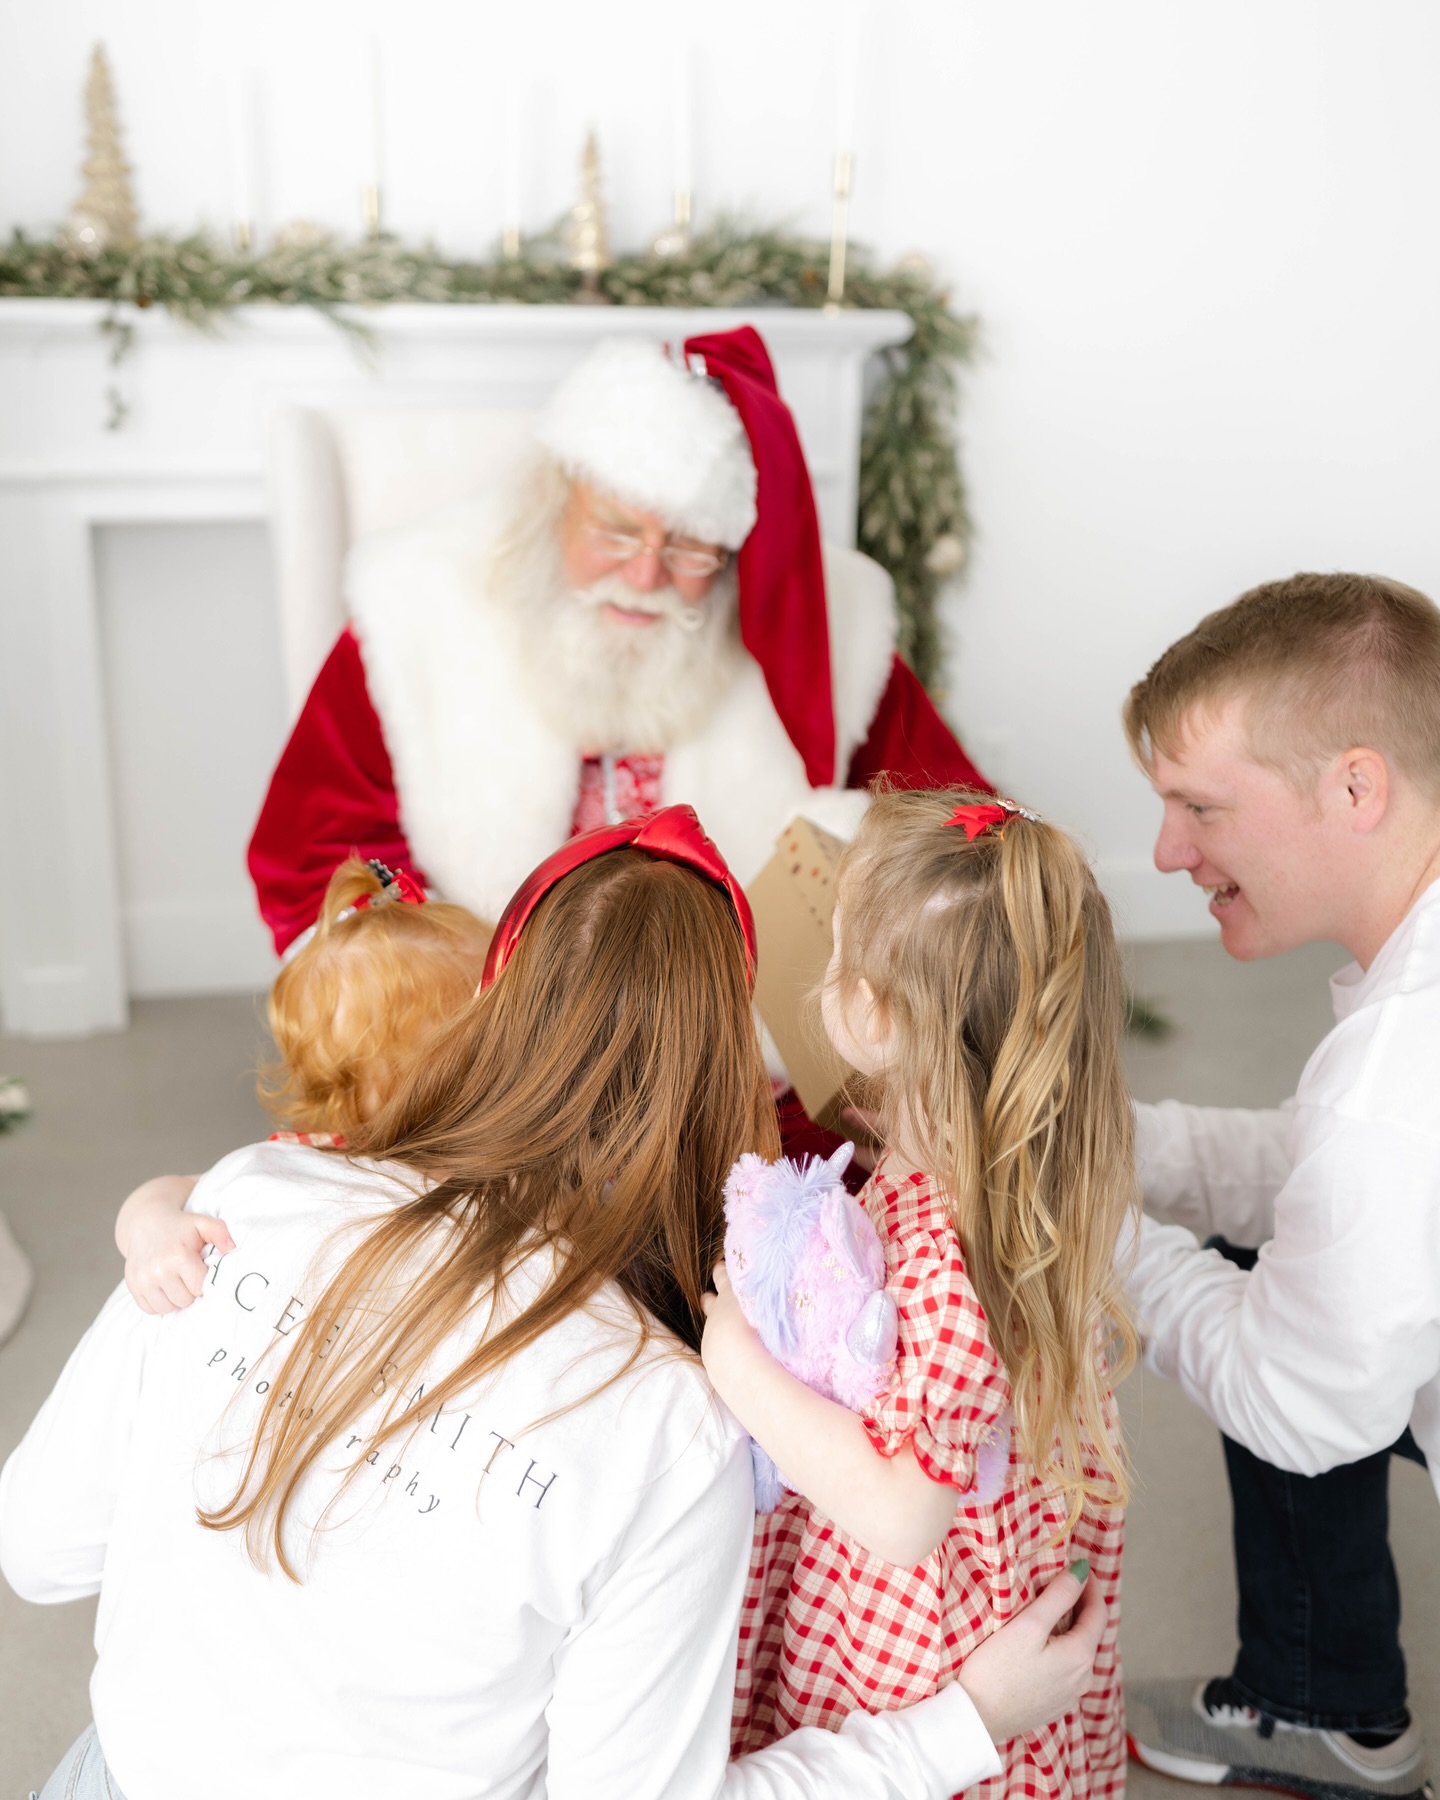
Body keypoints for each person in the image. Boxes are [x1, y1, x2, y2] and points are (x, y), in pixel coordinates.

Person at [1, 807, 1104, 1800]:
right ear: (729, 1092)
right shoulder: (675, 1421)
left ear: (489, 1001)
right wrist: (963, 1723)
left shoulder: (244, 1202)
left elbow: (36, 1548)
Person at [246, 327, 986, 1169]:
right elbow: (313, 847)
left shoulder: (829, 635)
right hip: (490, 1066)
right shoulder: (418, 611)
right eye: (618, 533)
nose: (645, 577)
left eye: (688, 548)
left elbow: (956, 826)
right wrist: (431, 998)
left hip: (740, 1083)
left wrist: (850, 910)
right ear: (555, 499)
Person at [701, 787, 1136, 1800]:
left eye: (839, 949)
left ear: (872, 1014)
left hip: (920, 1628)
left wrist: (737, 1361)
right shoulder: (1006, 1169)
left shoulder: (941, 1255)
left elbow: (900, 1518)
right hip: (993, 1567)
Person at [1118, 573, 1440, 1800]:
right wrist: (1117, 1146)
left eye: (1201, 807)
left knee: (1269, 1330)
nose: (1166, 851)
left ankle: (1322, 1716)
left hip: (1329, 1384)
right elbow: (1334, 1177)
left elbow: (1300, 1404)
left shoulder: (1392, 1084)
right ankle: (1327, 1699)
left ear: (1356, 788)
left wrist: (1096, 1235)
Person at [114, 854, 493, 1314]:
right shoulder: (308, 1156)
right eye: (479, 1036)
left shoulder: (503, 1145)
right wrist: (151, 1229)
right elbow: (170, 1190)